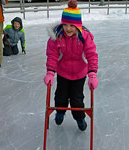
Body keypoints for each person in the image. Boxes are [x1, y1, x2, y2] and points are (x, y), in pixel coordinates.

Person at [43, 0, 98, 131]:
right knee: (60, 97)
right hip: (63, 73)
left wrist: (92, 74)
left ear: (78, 26)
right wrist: (50, 72)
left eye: (72, 25)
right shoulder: (57, 37)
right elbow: (52, 55)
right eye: (66, 25)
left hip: (79, 74)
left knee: (77, 100)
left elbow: (91, 55)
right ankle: (60, 112)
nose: (68, 28)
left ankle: (80, 118)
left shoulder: (84, 37)